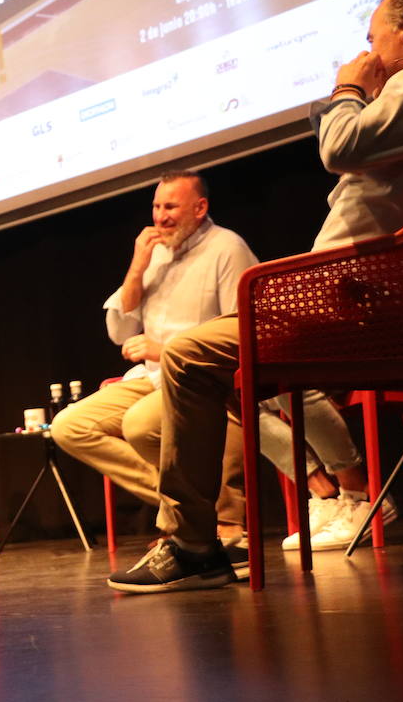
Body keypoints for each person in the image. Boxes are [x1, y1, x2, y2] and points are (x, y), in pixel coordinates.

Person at [109, 0, 403, 593]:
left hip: (358, 301)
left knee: (187, 354)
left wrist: (348, 86)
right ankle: (255, 515)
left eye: (373, 37)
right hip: (395, 299)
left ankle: (193, 544)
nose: (367, 51)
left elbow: (339, 146)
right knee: (209, 367)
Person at [49, 171, 257, 561]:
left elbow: (241, 330)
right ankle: (188, 509)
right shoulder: (156, 254)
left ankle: (198, 516)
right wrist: (137, 264)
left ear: (200, 208)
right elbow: (121, 329)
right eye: (156, 207)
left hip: (201, 378)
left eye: (170, 207)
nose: (160, 217)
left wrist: (165, 351)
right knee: (68, 426)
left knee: (140, 424)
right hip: (149, 377)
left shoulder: (227, 248)